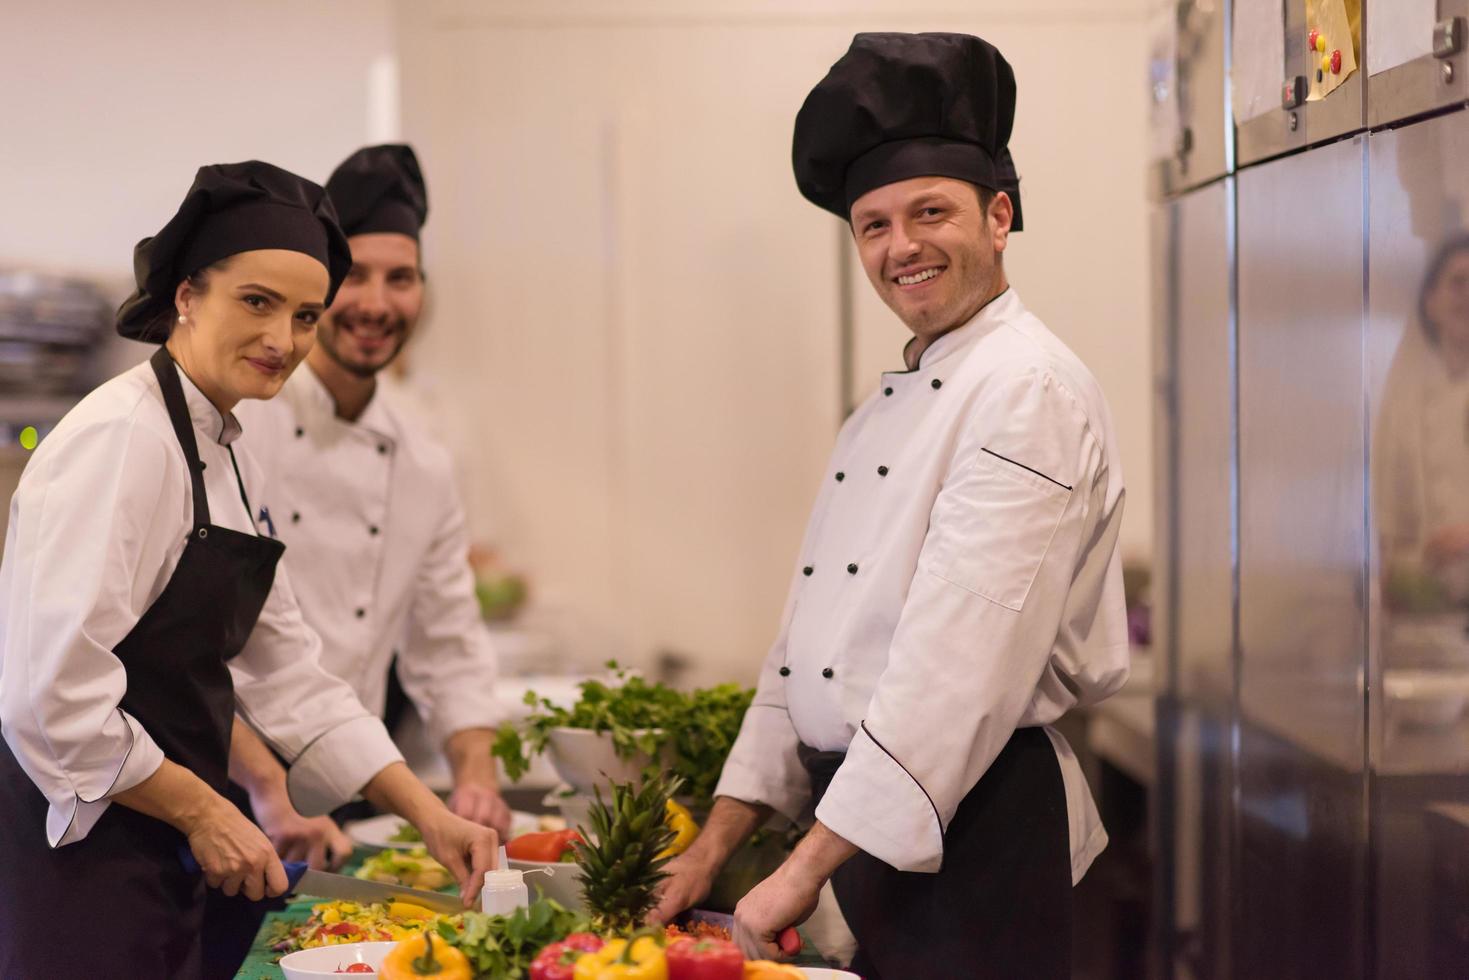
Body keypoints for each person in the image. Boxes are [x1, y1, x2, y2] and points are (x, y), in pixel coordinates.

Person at [648, 33, 1130, 979]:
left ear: (999, 217)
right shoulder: (883, 406)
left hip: (978, 836)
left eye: (929, 213)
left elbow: (955, 669)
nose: (900, 247)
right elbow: (802, 651)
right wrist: (714, 843)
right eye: (873, 224)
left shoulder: (1026, 390)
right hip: (868, 829)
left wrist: (800, 869)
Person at [0, 161, 498, 977]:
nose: (283, 340)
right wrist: (204, 809)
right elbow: (49, 697)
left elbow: (288, 674)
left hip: (160, 851)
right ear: (187, 295)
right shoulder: (121, 441)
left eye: (305, 315)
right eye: (257, 302)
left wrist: (428, 816)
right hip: (84, 860)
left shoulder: (223, 449)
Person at [230, 146, 509, 873]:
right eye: (353, 275)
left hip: (347, 788)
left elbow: (447, 642)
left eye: (401, 278)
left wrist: (475, 774)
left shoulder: (422, 459)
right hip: (216, 790)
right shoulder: (240, 424)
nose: (377, 304)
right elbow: (182, 645)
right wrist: (266, 787)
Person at [1375, 233, 1469, 608]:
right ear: (1430, 302)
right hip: (1431, 609)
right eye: (1458, 283)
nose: (1467, 296)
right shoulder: (1404, 406)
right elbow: (1391, 525)